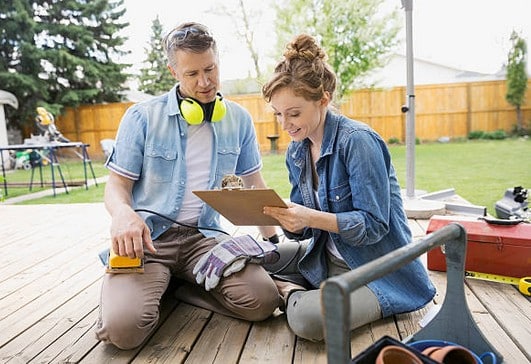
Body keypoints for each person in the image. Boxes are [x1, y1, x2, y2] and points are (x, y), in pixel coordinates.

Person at [95, 22, 280, 350]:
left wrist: (274, 242)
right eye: (192, 74)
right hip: (150, 242)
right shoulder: (141, 117)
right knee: (122, 332)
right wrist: (123, 214)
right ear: (173, 71)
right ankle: (153, 283)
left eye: (210, 69)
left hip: (204, 240)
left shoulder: (238, 119)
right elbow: (116, 186)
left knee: (263, 301)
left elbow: (254, 185)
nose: (205, 82)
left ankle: (182, 288)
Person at [261, 34, 436, 342]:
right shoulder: (297, 150)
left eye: (294, 113)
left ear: (323, 99)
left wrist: (309, 218)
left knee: (308, 320)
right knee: (252, 258)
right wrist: (285, 217)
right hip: (325, 257)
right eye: (278, 114)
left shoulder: (357, 141)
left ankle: (288, 292)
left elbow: (374, 226)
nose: (284, 124)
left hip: (377, 271)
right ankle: (295, 287)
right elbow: (302, 232)